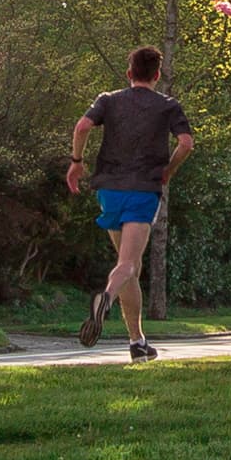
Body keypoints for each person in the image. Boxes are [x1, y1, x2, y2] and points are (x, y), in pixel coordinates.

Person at [71, 46, 194, 359]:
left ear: (129, 74)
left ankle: (137, 343)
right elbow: (186, 144)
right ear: (156, 75)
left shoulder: (108, 100)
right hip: (142, 191)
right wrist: (168, 169)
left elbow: (83, 126)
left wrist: (76, 161)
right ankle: (105, 299)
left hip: (108, 190)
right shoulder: (168, 106)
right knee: (125, 266)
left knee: (131, 268)